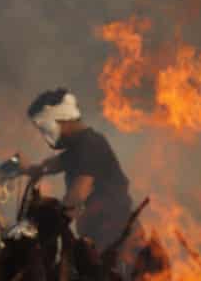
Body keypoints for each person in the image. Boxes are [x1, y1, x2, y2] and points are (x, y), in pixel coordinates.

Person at [19, 88, 140, 256]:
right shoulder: (78, 148)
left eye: (46, 129)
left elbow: (77, 195)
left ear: (61, 121)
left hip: (116, 238)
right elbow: (49, 166)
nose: (45, 136)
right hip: (100, 235)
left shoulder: (91, 144)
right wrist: (25, 168)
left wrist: (44, 222)